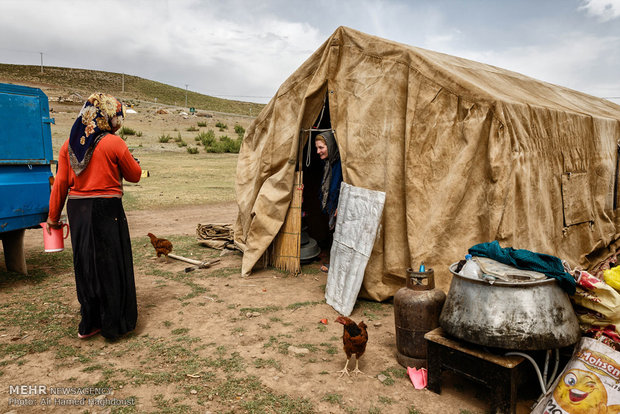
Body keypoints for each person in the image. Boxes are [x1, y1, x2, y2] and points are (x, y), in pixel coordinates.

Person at [47, 92, 142, 340]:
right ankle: (113, 325)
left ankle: (89, 323)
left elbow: (60, 184)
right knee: (110, 265)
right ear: (107, 117)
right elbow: (134, 175)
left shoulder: (69, 145)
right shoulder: (114, 143)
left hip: (77, 211)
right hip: (106, 209)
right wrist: (133, 161)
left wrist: (53, 218)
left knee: (86, 264)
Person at [314, 130, 342, 272]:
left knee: (339, 236)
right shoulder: (328, 163)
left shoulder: (340, 164)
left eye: (321, 147)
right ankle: (334, 265)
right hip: (333, 205)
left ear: (330, 146)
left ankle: (337, 267)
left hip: (339, 205)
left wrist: (340, 206)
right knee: (334, 234)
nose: (318, 151)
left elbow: (343, 185)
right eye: (317, 148)